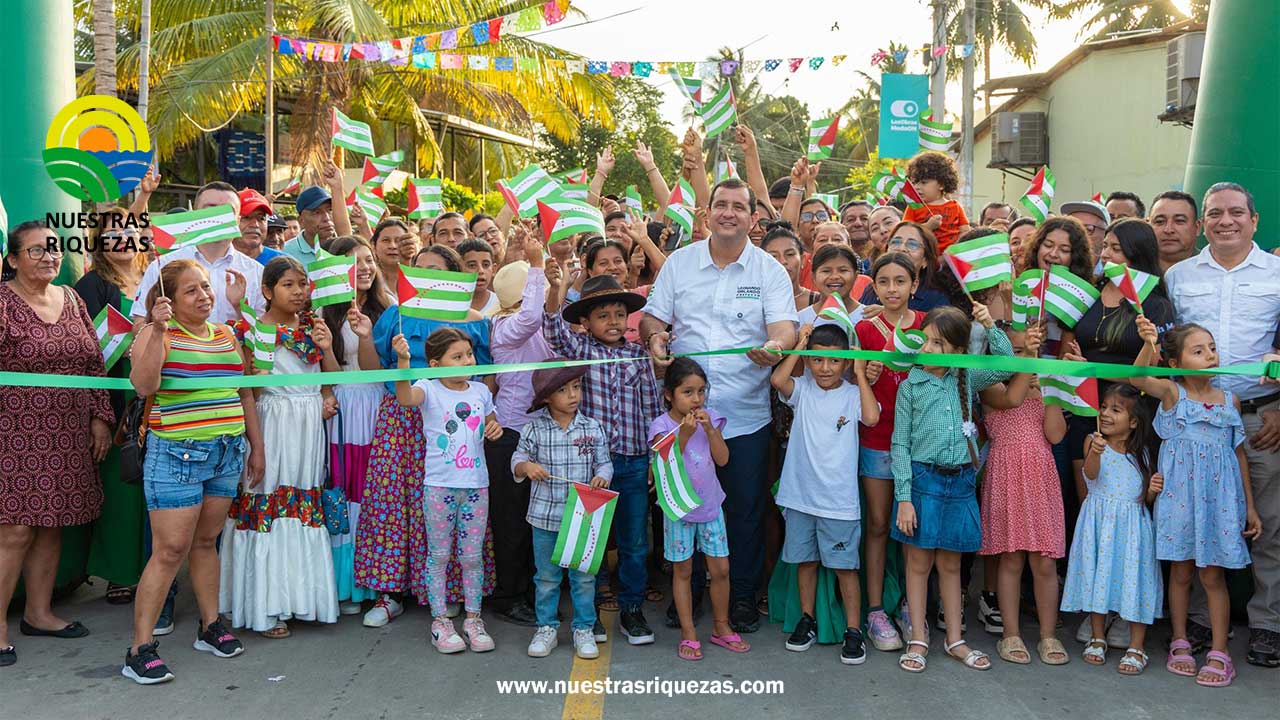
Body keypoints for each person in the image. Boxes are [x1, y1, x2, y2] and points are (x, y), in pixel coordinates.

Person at [642, 178, 798, 633]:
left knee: (744, 512)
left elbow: (786, 328)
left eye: (739, 207)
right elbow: (654, 316)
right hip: (682, 422)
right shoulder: (679, 264)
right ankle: (685, 595)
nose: (729, 213)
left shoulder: (767, 270)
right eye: (721, 205)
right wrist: (654, 335)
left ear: (753, 217)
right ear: (707, 212)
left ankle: (743, 597)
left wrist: (775, 345)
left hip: (745, 416)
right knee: (679, 508)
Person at [122, 258, 264, 684]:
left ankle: (209, 625)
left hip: (226, 452)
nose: (204, 295)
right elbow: (144, 385)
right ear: (167, 298)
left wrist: (256, 447)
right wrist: (158, 328)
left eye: (205, 286)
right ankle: (139, 648)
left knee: (206, 542)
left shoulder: (224, 334)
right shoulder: (155, 332)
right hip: (177, 455)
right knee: (168, 551)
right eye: (191, 290)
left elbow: (243, 390)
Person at [1164, 182, 1280, 669]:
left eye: (1236, 212)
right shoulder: (1178, 277)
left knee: (1269, 527)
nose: (1225, 221)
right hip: (1194, 424)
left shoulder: (1278, 274)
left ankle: (1267, 623)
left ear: (1254, 221)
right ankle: (1195, 621)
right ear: (1203, 223)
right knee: (1194, 525)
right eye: (1214, 213)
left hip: (1261, 419)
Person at [354, 245, 494, 629]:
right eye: (420, 272)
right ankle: (390, 593)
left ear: (454, 278)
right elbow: (372, 369)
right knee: (394, 507)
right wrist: (366, 337)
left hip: (455, 425)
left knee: (450, 510)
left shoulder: (474, 320)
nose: (427, 280)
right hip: (403, 419)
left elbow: (486, 376)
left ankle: (449, 593)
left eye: (437, 272)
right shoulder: (396, 316)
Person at [0, 222, 114, 669]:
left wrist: (100, 417)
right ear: (12, 260)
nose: (49, 256)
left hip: (68, 431)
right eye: (36, 251)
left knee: (51, 525)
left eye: (53, 248)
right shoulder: (2, 302)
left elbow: (93, 363)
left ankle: (39, 613)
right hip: (14, 431)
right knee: (15, 530)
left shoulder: (72, 298)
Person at [1130, 318, 1261, 687]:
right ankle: (1181, 640)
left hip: (1219, 502)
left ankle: (1220, 651)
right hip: (1180, 500)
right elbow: (1138, 378)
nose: (1210, 355)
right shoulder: (1173, 394)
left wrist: (1249, 506)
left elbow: (1239, 457)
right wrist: (1148, 343)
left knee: (1213, 575)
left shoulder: (1228, 400)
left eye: (1212, 348)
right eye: (1198, 350)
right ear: (1176, 363)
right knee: (1182, 572)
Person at [220, 257, 340, 638]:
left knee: (302, 505)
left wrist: (329, 349)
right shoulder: (251, 331)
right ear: (268, 291)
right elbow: (249, 393)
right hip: (272, 423)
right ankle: (267, 606)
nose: (299, 291)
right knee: (267, 500)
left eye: (303, 284)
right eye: (289, 284)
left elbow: (333, 381)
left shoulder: (314, 330)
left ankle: (303, 600)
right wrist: (257, 446)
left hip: (307, 429)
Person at [891, 304, 1014, 673]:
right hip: (923, 480)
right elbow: (900, 445)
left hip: (960, 481)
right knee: (918, 561)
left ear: (959, 351)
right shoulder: (911, 385)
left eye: (938, 343)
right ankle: (918, 637)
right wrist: (904, 499)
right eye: (926, 340)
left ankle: (955, 639)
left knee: (950, 562)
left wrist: (991, 325)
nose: (927, 348)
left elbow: (1008, 365)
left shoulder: (966, 377)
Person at [544, 271, 662, 645]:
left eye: (618, 314)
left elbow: (651, 409)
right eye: (603, 315)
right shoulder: (581, 350)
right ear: (586, 322)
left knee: (634, 542)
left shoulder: (638, 356)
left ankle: (631, 609)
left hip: (631, 461)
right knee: (590, 541)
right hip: (590, 465)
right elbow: (552, 330)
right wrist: (554, 286)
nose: (613, 322)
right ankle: (588, 611)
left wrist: (654, 460)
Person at [771, 323, 880, 666]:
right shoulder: (802, 388)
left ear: (846, 362)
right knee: (806, 562)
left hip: (838, 501)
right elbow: (777, 381)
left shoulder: (851, 393)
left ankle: (852, 629)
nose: (825, 368)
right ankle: (807, 619)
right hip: (801, 495)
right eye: (817, 360)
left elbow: (873, 418)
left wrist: (860, 374)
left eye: (834, 361)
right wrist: (800, 346)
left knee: (845, 567)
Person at [391, 327, 501, 654]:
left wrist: (495, 428)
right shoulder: (427, 388)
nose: (467, 360)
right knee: (439, 555)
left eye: (469, 354)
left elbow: (493, 422)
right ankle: (440, 621)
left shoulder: (481, 392)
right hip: (439, 487)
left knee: (471, 557)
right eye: (457, 356)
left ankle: (473, 619)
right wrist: (402, 361)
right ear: (436, 364)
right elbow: (404, 397)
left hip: (476, 487)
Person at [977, 323, 1070, 666]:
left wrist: (1052, 392)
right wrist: (1028, 366)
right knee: (1011, 557)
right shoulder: (991, 386)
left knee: (1044, 561)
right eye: (1013, 351)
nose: (1020, 357)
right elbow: (1010, 398)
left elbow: (1056, 435)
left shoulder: (1042, 384)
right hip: (1006, 475)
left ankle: (1048, 635)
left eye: (1025, 350)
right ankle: (1010, 634)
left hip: (1041, 477)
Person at [1061, 384, 1163, 676]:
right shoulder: (1093, 442)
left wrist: (1154, 490)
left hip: (1132, 529)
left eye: (1115, 410)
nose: (1105, 413)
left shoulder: (1142, 454)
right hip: (1100, 524)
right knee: (1099, 577)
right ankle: (1097, 637)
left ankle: (1136, 645)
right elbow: (1091, 474)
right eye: (1103, 407)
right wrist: (1094, 451)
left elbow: (1143, 498)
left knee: (1134, 582)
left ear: (1133, 422)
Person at [514, 364, 613, 660]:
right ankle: (547, 628)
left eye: (576, 387)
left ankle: (583, 627)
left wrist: (602, 477)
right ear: (546, 397)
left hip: (583, 517)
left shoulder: (592, 427)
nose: (572, 395)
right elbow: (518, 458)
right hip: (544, 517)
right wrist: (526, 467)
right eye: (562, 390)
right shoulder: (533, 428)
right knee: (546, 578)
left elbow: (604, 462)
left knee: (583, 578)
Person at [76, 208, 149, 605]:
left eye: (130, 229)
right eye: (113, 230)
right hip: (117, 405)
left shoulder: (155, 276)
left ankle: (152, 571)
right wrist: (98, 417)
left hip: (157, 402)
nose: (122, 236)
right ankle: (120, 573)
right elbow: (88, 356)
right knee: (121, 492)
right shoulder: (93, 284)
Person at [651, 359, 745, 661]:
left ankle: (721, 626)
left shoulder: (712, 419)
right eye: (688, 392)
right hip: (678, 509)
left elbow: (723, 460)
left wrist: (711, 431)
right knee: (683, 571)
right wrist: (686, 435)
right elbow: (665, 465)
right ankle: (689, 633)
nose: (696, 399)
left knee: (720, 570)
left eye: (701, 391)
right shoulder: (661, 426)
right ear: (669, 394)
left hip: (710, 506)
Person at [319, 236, 392, 615]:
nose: (364, 267)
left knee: (372, 492)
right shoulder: (323, 312)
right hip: (342, 409)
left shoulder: (387, 308)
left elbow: (374, 369)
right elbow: (327, 372)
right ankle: (345, 583)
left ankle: (373, 582)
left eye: (367, 260)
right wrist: (327, 349)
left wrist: (365, 334)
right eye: (353, 262)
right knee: (343, 490)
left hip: (378, 403)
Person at [852, 253, 921, 652]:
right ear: (873, 286)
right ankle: (876, 609)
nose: (892, 289)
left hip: (919, 442)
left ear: (913, 284)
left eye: (900, 281)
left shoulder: (929, 326)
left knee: (914, 529)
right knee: (878, 524)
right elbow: (847, 377)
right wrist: (865, 373)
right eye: (884, 282)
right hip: (877, 439)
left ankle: (912, 606)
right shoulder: (863, 329)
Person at [487, 229, 553, 627]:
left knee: (537, 520)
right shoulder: (505, 328)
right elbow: (531, 315)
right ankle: (508, 595)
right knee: (512, 523)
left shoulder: (534, 325)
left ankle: (531, 590)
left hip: (537, 433)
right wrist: (536, 263)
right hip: (510, 436)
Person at [132, 182, 266, 327]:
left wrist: (240, 308)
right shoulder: (162, 266)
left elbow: (262, 334)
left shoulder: (257, 272)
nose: (218, 217)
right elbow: (139, 325)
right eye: (210, 209)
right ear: (195, 215)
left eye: (227, 211)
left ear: (237, 220)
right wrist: (157, 323)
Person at [859, 221, 949, 312]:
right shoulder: (871, 290)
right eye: (896, 242)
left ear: (925, 260)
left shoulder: (936, 298)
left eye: (912, 244)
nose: (901, 249)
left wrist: (891, 315)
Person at [283, 164, 351, 265]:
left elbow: (347, 238)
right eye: (317, 212)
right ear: (301, 220)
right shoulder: (286, 253)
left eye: (329, 210)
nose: (326, 218)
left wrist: (337, 187)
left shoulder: (343, 247)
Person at [903, 151, 970, 253]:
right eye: (914, 183)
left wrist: (955, 248)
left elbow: (965, 231)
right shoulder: (913, 207)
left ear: (941, 184)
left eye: (923, 182)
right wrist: (928, 226)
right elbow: (905, 233)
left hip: (952, 259)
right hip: (925, 260)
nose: (916, 187)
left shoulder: (955, 207)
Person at [797, 245, 873, 329]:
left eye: (843, 270)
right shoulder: (800, 320)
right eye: (826, 271)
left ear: (855, 276)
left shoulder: (869, 317)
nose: (835, 277)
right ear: (813, 277)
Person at [761, 224, 816, 312]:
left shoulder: (819, 301)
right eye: (774, 256)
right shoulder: (755, 303)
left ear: (802, 260)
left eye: (790, 254)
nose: (783, 261)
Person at [1149, 190, 1201, 271]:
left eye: (1179, 221)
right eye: (1160, 221)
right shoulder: (1132, 271)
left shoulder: (1216, 270)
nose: (1168, 230)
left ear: (1197, 227)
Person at [234, 188, 283, 266]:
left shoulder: (283, 264)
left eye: (261, 218)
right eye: (246, 217)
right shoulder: (214, 260)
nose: (255, 224)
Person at [1060, 199, 1111, 270]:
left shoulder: (1113, 274)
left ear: (1105, 234)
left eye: (1087, 229)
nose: (1077, 234)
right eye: (1071, 228)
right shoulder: (1052, 266)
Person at [457, 239, 500, 317]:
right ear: (459, 269)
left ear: (494, 269)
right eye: (472, 265)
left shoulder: (501, 305)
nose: (480, 271)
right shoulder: (450, 304)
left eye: (486, 265)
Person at [370, 218, 414, 284]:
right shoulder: (367, 282)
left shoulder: (419, 281)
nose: (392, 246)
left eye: (398, 240)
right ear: (374, 246)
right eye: (386, 240)